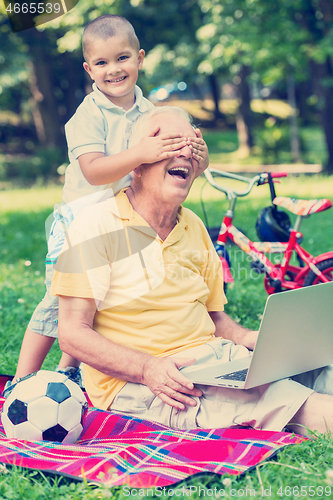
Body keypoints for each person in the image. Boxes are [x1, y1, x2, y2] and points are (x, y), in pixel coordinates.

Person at [51, 106, 333, 436]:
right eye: (171, 142)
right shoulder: (95, 226)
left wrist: (253, 340)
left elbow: (214, 318)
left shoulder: (193, 226)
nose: (185, 150)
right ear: (137, 162)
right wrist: (147, 368)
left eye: (192, 142)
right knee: (285, 399)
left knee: (322, 365)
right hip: (151, 384)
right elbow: (71, 333)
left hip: (218, 361)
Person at [3, 16, 209, 398]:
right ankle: (20, 381)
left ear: (140, 59)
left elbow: (183, 162)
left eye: (122, 58)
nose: (113, 70)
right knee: (60, 303)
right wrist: (140, 152)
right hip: (79, 219)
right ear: (88, 69)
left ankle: (70, 374)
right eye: (101, 63)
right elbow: (94, 172)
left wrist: (200, 154)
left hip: (122, 219)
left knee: (102, 304)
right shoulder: (88, 115)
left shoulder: (150, 111)